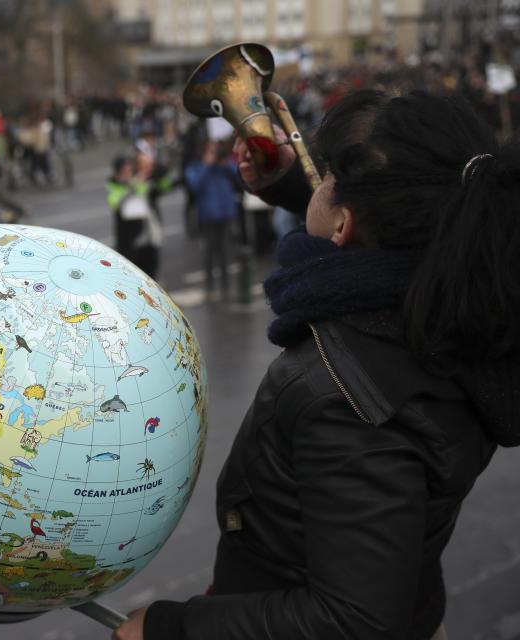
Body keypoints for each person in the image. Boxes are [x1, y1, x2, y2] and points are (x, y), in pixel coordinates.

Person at [112, 90, 520, 640]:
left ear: (346, 225)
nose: (317, 177)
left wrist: (170, 629)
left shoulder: (350, 403)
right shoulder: (463, 295)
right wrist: (292, 188)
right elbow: (390, 224)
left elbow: (354, 620)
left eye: (325, 175)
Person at [184, 140, 239, 299]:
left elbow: (238, 175)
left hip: (225, 213)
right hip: (208, 216)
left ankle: (225, 287)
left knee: (224, 251)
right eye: (210, 150)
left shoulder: (223, 165)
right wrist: (207, 165)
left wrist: (226, 163)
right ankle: (209, 287)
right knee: (209, 252)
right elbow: (194, 185)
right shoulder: (196, 167)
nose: (214, 154)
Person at [107, 151, 174, 279]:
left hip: (149, 240)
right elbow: (116, 203)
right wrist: (133, 186)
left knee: (152, 279)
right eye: (125, 170)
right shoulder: (116, 186)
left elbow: (163, 187)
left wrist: (158, 171)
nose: (128, 173)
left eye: (130, 169)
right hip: (129, 246)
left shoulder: (140, 182)